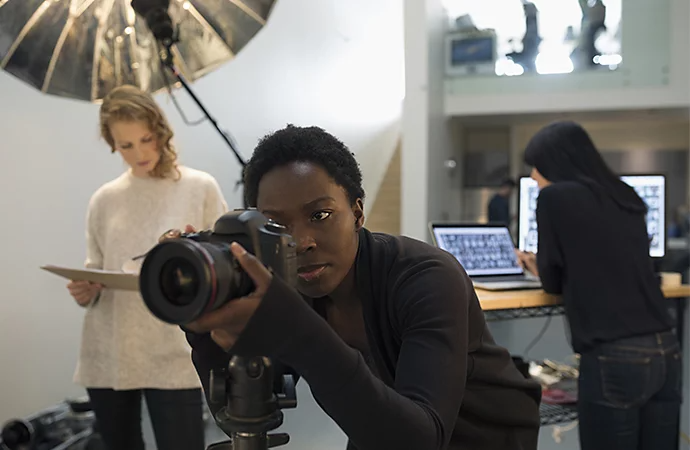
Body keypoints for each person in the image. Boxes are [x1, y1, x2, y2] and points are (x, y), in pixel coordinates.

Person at [175, 125, 542, 450]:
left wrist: (298, 333)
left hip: (485, 435)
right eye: (276, 225)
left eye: (320, 215)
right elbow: (248, 409)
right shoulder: (292, 283)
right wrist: (204, 322)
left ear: (358, 212)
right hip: (384, 424)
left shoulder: (428, 277)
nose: (301, 241)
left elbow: (421, 439)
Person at [66, 85, 228, 450]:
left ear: (161, 130)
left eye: (146, 139)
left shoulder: (199, 188)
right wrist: (85, 291)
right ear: (112, 144)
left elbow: (227, 264)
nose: (139, 153)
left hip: (175, 347)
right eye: (126, 146)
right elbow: (95, 269)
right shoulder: (104, 200)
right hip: (110, 347)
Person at [517, 120, 681, 450]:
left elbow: (551, 281)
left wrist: (536, 265)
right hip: (665, 349)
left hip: (613, 356)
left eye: (537, 165)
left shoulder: (554, 198)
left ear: (556, 161)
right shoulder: (625, 195)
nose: (534, 176)